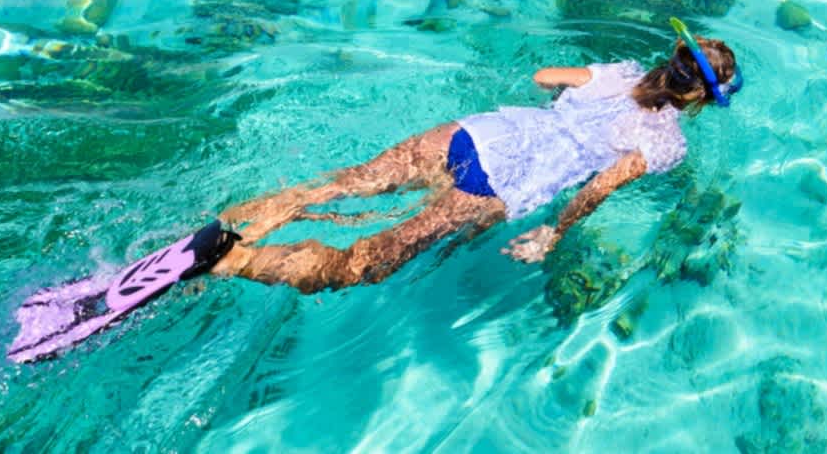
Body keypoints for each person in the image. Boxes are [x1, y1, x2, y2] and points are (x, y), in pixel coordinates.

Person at [205, 31, 741, 293]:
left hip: (476, 134)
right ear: (698, 99)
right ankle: (237, 263)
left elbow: (544, 78)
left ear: (672, 56)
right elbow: (599, 188)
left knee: (337, 186)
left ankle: (229, 225)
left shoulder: (619, 72)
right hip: (499, 184)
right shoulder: (666, 144)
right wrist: (554, 232)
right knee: (361, 265)